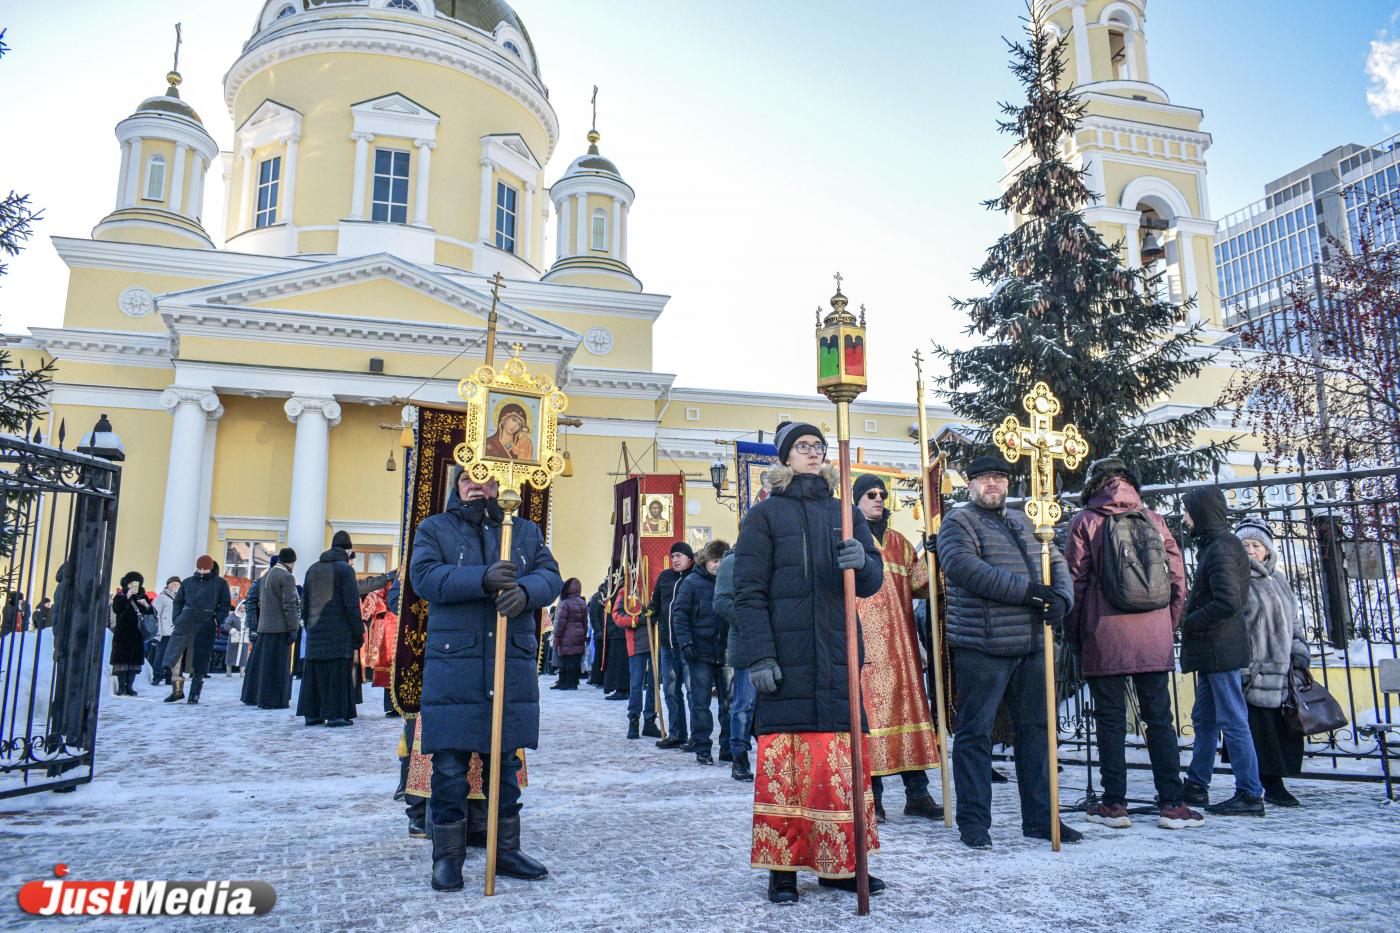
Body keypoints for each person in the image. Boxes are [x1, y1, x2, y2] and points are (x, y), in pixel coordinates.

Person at [733, 421, 885, 904]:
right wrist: (758, 653)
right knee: (789, 771)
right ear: (785, 457)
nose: (813, 453)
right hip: (787, 658)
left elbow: (873, 580)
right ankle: (783, 869)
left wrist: (862, 559)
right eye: (803, 447)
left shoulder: (845, 512)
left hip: (838, 654)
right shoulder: (765, 516)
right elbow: (748, 591)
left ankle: (840, 866)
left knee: (835, 771)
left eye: (818, 446)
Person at [411, 470, 561, 891]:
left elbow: (550, 575)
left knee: (506, 765)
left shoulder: (525, 532)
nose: (477, 486)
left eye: (487, 480)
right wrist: (481, 579)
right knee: (449, 768)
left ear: (502, 486)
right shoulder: (435, 528)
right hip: (454, 665)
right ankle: (448, 858)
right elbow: (424, 577)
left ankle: (505, 849)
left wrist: (526, 593)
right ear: (457, 486)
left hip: (507, 661)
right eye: (469, 481)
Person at [938, 455, 1077, 850]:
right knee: (974, 735)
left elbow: (1057, 561)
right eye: (984, 478)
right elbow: (965, 569)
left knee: (1037, 734)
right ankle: (975, 822)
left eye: (998, 477)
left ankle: (1042, 819)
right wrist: (1029, 593)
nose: (992, 484)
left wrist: (1062, 599)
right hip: (984, 645)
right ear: (971, 485)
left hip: (1032, 644)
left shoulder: (1025, 521)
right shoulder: (957, 523)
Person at [1063, 458, 1202, 830]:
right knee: (1159, 721)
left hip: (1103, 634)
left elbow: (1074, 582)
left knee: (1109, 721)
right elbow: (1178, 580)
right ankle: (1172, 804)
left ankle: (1114, 804)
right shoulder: (1153, 520)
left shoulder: (1086, 522)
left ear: (1094, 484)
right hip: (1153, 636)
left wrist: (1075, 633)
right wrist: (1166, 626)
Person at [850, 474, 945, 823]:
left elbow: (924, 586)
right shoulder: (849, 540)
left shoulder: (900, 543)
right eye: (870, 494)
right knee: (869, 721)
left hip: (901, 648)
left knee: (910, 716)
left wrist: (936, 558)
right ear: (857, 500)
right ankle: (872, 797)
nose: (878, 499)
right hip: (864, 649)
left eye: (882, 494)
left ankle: (917, 794)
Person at [1180, 487, 1265, 817]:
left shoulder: (1221, 549)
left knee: (1232, 719)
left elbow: (1228, 601)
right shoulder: (1216, 546)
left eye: (1188, 512)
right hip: (1214, 650)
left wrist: (1191, 620)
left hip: (1220, 648)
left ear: (1201, 512)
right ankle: (1197, 783)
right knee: (1204, 719)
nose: (1185, 518)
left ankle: (1249, 792)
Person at [1236, 519, 1310, 808]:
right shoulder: (1240, 580)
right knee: (1260, 731)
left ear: (1267, 550)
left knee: (1282, 730)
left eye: (1255, 545)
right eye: (1244, 545)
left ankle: (1275, 782)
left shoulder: (1278, 579)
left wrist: (1299, 648)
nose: (1250, 550)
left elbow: (1294, 620)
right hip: (1256, 671)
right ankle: (1269, 785)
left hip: (1283, 670)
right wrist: (1244, 665)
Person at [672, 539, 731, 765]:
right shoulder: (692, 583)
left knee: (729, 703)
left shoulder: (730, 581)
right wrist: (685, 643)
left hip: (726, 651)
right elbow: (680, 614)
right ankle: (702, 747)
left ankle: (727, 747)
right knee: (700, 702)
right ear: (706, 561)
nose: (717, 565)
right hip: (700, 651)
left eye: (721, 561)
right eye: (714, 561)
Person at [297, 531, 364, 727]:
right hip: (338, 634)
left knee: (314, 674)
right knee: (336, 675)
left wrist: (308, 625)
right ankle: (335, 715)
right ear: (348, 549)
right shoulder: (345, 570)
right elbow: (351, 604)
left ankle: (312, 714)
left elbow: (305, 602)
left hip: (315, 632)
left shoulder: (313, 569)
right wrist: (358, 631)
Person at [162, 556, 232, 705]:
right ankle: (177, 691)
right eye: (200, 568)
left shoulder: (219, 583)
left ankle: (194, 693)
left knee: (200, 659)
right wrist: (177, 618)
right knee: (175, 657)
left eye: (205, 569)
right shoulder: (188, 582)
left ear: (211, 568)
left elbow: (225, 605)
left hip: (205, 623)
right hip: (184, 622)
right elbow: (178, 601)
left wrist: (215, 619)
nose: (202, 571)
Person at [713, 547, 754, 781]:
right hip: (745, 641)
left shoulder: (770, 552)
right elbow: (721, 602)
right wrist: (752, 621)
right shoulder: (732, 561)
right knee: (744, 704)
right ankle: (739, 756)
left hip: (777, 643)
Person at [242, 549, 299, 709]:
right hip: (280, 628)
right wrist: (293, 627)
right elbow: (289, 604)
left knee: (266, 667)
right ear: (291, 562)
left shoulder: (266, 575)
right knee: (278, 668)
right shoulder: (287, 577)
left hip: (264, 627)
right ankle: (275, 700)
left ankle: (263, 698)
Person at [651, 542, 694, 750]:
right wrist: (647, 612)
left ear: (689, 558)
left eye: (679, 555)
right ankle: (677, 733)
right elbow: (656, 605)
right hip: (666, 643)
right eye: (673, 556)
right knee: (670, 689)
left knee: (692, 691)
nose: (675, 560)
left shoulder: (695, 577)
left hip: (687, 644)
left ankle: (697, 736)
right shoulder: (665, 577)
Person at [614, 587, 659, 740]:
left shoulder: (655, 585)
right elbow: (617, 615)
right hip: (637, 645)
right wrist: (637, 619)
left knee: (654, 685)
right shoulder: (626, 589)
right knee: (636, 685)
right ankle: (634, 721)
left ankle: (650, 721)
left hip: (656, 643)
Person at [110, 572, 152, 697]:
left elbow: (149, 613)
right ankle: (121, 687)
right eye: (131, 583)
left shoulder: (142, 596)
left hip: (137, 633)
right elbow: (117, 609)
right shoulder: (120, 596)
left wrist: (147, 605)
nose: (133, 586)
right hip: (123, 633)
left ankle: (130, 686)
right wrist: (127, 597)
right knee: (122, 661)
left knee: (134, 663)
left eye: (136, 583)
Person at [551, 578, 587, 690]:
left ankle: (566, 683)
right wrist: (583, 634)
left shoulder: (565, 603)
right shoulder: (582, 602)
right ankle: (573, 682)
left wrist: (557, 635)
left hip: (567, 634)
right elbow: (585, 622)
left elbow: (560, 622)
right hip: (579, 634)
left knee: (565, 659)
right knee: (575, 660)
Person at [150, 577, 179, 685]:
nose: (175, 585)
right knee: (161, 655)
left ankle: (168, 676)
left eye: (177, 584)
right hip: (164, 631)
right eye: (173, 583)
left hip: (175, 631)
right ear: (168, 585)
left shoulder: (180, 598)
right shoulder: (162, 597)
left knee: (172, 655)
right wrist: (158, 630)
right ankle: (157, 676)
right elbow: (155, 613)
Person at [586, 581, 608, 687]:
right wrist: (598, 630)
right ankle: (598, 679)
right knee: (599, 656)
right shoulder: (596, 597)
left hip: (608, 632)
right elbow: (593, 616)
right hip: (600, 632)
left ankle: (604, 679)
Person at [223, 601, 251, 675]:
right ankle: (228, 671)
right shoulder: (233, 616)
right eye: (241, 608)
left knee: (243, 655)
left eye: (244, 608)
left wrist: (248, 630)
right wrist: (233, 630)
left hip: (244, 639)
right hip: (234, 639)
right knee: (230, 655)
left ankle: (242, 672)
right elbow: (226, 626)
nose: (242, 609)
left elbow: (251, 625)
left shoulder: (248, 616)